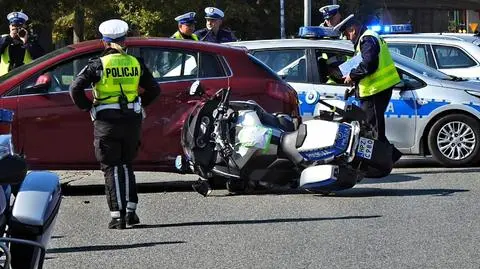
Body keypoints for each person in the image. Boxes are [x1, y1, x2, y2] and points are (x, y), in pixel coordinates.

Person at [69, 19, 160, 229]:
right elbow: (154, 90)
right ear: (124, 40)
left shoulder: (98, 64)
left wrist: (88, 106)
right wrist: (138, 104)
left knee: (111, 167)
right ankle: (130, 212)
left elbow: (75, 88)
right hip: (132, 120)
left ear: (104, 42)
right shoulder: (135, 63)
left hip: (106, 122)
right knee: (127, 164)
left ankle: (117, 217)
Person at [342, 19, 403, 163]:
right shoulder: (367, 38)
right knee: (372, 126)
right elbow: (363, 62)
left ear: (353, 29)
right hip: (374, 89)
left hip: (375, 90)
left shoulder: (367, 38)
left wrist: (352, 75)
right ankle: (389, 157)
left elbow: (369, 64)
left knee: (374, 128)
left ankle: (383, 161)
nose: (346, 37)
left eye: (346, 34)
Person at [0, 11, 44, 76]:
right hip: (6, 79)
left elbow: (41, 57)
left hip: (26, 79)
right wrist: (9, 38)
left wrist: (26, 42)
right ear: (9, 27)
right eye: (14, 26)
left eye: (19, 26)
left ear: (24, 26)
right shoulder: (3, 39)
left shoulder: (31, 40)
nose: (16, 30)